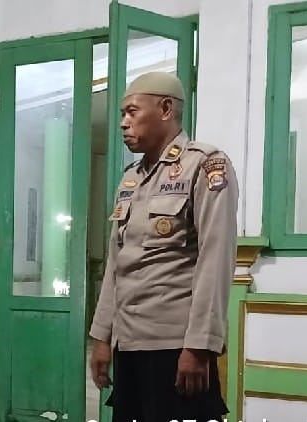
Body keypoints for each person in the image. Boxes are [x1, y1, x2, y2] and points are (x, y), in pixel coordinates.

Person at [88, 72, 238, 422]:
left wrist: (199, 346)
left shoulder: (205, 165)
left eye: (132, 112)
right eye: (122, 114)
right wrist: (102, 336)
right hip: (129, 343)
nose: (123, 123)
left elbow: (215, 260)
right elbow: (116, 264)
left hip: (176, 346)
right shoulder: (131, 178)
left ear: (166, 109)